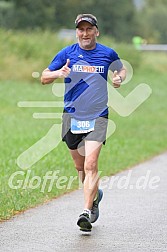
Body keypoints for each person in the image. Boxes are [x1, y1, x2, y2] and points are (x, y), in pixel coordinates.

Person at [41, 13, 126, 232]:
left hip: (98, 115)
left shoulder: (107, 53)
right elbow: (43, 76)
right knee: (80, 167)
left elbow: (120, 68)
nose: (85, 33)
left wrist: (118, 78)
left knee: (91, 165)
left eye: (89, 29)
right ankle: (95, 195)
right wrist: (59, 72)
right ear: (77, 32)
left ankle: (86, 212)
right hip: (71, 116)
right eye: (81, 29)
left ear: (96, 31)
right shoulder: (67, 53)